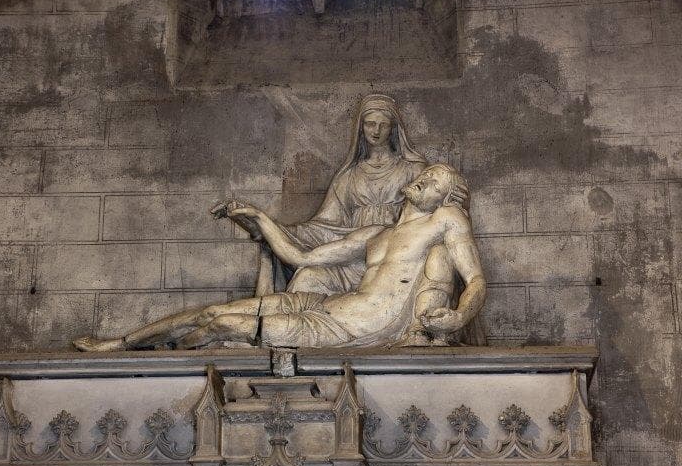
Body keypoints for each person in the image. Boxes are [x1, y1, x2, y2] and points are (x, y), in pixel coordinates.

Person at [73, 165, 486, 352]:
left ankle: (180, 351)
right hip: (328, 305)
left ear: (445, 199)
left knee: (223, 324)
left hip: (355, 326)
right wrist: (259, 217)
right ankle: (122, 343)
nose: (424, 178)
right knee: (212, 311)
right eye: (427, 173)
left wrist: (459, 317)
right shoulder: (375, 234)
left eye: (435, 181)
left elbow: (475, 281)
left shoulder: (446, 221)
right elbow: (299, 255)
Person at [256, 93, 441, 296]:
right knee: (306, 278)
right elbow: (324, 226)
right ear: (361, 128)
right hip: (352, 257)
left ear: (393, 129)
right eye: (370, 124)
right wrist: (276, 231)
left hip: (393, 255)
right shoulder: (349, 177)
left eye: (383, 125)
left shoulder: (413, 170)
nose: (376, 131)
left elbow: (433, 214)